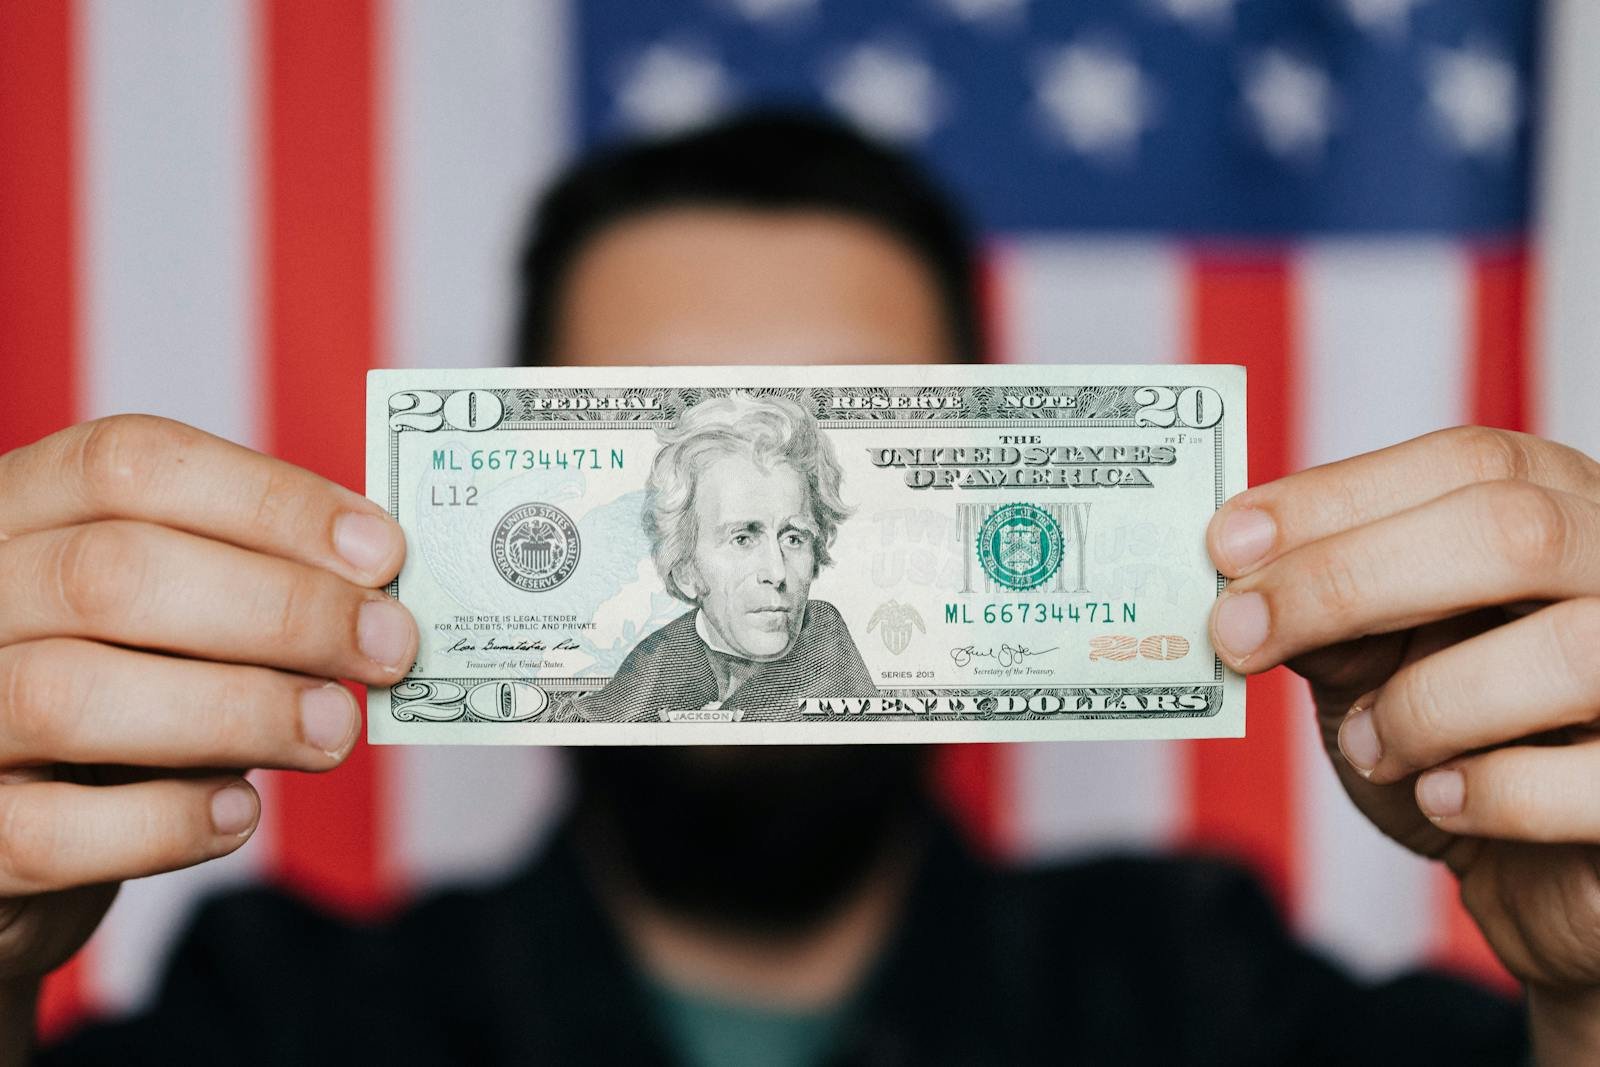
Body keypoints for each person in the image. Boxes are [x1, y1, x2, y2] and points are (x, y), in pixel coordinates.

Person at [1, 112, 1597, 1064]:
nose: (768, 545)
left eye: (831, 471)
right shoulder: (284, 1020)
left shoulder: (1213, 994)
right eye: (673, 461)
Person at [577, 392, 876, 721]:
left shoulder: (831, 660)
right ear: (686, 570)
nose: (776, 572)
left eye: (794, 538)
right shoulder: (650, 670)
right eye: (743, 539)